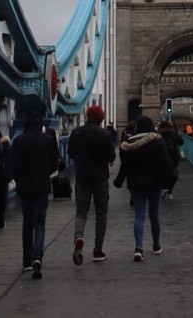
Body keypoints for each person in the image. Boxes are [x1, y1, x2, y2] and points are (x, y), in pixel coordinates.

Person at [114, 116, 175, 261]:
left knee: (139, 216)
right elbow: (166, 163)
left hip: (136, 184)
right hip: (155, 183)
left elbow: (125, 166)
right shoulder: (157, 141)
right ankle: (156, 245)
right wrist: (171, 179)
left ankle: (138, 248)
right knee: (154, 215)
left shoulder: (130, 143)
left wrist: (119, 181)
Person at [11, 111, 58, 279]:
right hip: (42, 186)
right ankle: (37, 256)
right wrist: (46, 174)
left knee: (27, 222)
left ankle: (26, 261)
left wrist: (21, 181)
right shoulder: (47, 139)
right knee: (40, 222)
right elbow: (55, 162)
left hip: (25, 188)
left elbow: (15, 167)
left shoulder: (18, 141)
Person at [67, 105, 116, 265]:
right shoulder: (105, 134)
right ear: (101, 117)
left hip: (82, 178)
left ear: (87, 115)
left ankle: (79, 236)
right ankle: (98, 251)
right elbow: (111, 157)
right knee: (101, 213)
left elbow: (70, 154)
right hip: (100, 179)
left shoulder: (76, 132)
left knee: (81, 212)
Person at [157, 120, 183, 200]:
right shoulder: (173, 134)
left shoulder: (158, 135)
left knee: (162, 174)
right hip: (173, 158)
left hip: (161, 159)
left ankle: (164, 188)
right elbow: (181, 142)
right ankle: (169, 192)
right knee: (173, 174)